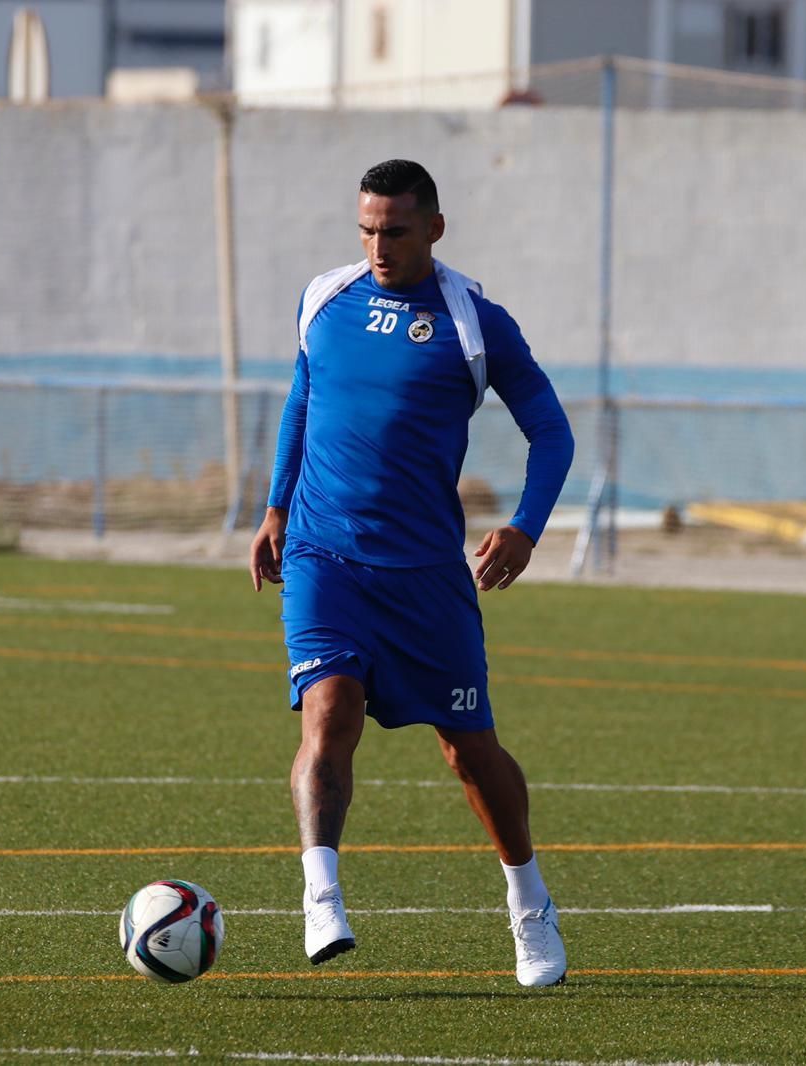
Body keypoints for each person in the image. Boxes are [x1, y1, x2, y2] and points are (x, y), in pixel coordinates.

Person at [249, 159, 575, 988]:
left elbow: (552, 432)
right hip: (326, 556)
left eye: (394, 230)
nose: (377, 246)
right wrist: (277, 506)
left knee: (471, 756)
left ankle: (529, 902)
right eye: (365, 229)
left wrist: (526, 529)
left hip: (427, 574)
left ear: (434, 227)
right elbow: (302, 397)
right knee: (329, 712)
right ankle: (320, 890)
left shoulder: (474, 322)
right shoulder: (324, 298)